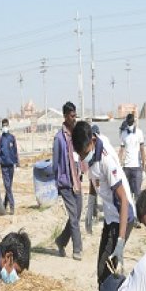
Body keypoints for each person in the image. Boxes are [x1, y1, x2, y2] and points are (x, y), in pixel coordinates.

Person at [72, 120, 136, 287]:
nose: (82, 158)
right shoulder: (88, 152)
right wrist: (91, 204)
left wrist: (120, 241)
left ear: (93, 141)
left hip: (122, 216)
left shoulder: (107, 161)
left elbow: (123, 200)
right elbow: (94, 179)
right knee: (103, 273)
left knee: (106, 273)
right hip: (110, 216)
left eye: (84, 153)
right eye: (80, 155)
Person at [52, 101, 82, 261]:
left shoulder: (77, 134)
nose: (74, 118)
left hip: (77, 182)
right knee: (74, 218)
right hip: (65, 184)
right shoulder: (59, 138)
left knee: (76, 215)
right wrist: (57, 184)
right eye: (71, 116)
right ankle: (78, 249)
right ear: (65, 117)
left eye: (75, 115)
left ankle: (61, 240)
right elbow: (55, 164)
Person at [118, 113, 146, 214]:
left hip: (137, 167)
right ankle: (130, 215)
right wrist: (119, 165)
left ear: (133, 121)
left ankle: (138, 215)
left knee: (138, 193)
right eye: (128, 121)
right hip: (126, 168)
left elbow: (142, 150)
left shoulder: (139, 133)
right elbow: (121, 150)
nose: (129, 122)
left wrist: (143, 168)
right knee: (127, 193)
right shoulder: (123, 134)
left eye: (130, 121)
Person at [0, 118, 19, 214]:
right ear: (2, 127)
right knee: (7, 186)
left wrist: (17, 163)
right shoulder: (0, 139)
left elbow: (15, 150)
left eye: (6, 125)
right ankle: (12, 206)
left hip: (11, 165)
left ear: (8, 126)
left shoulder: (12, 138)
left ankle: (4, 205)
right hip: (4, 165)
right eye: (3, 125)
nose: (5, 127)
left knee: (8, 186)